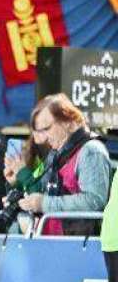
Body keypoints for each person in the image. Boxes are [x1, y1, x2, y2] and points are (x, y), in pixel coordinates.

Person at [18, 94, 109, 236]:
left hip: (79, 247)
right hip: (54, 243)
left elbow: (94, 200)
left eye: (46, 129)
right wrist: (24, 199)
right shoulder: (56, 153)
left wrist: (44, 204)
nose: (43, 138)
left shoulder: (91, 150)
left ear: (67, 121)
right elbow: (44, 192)